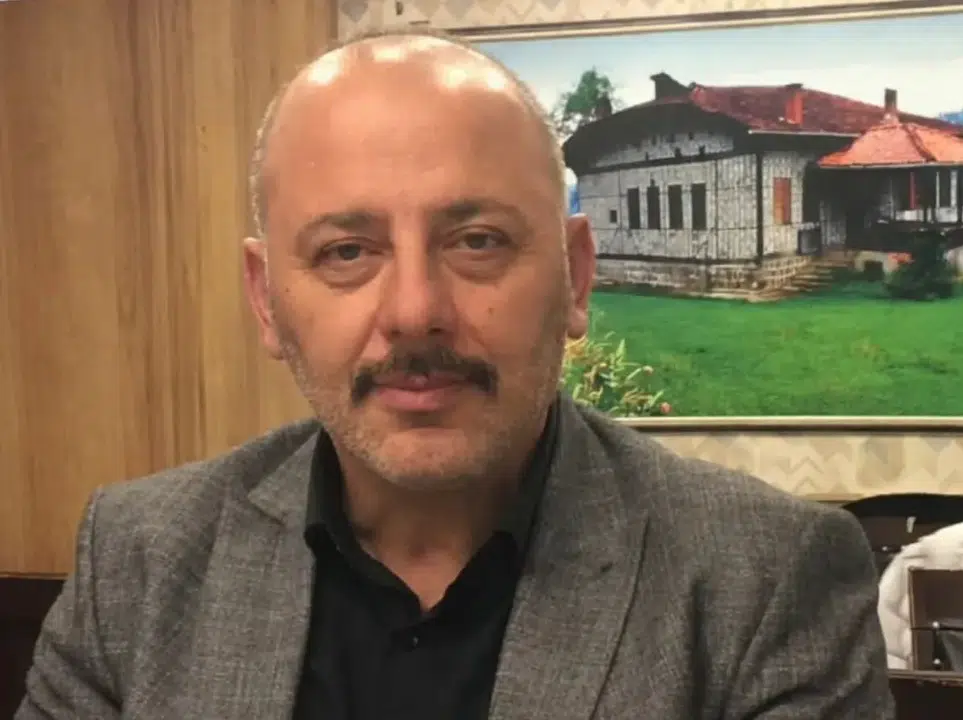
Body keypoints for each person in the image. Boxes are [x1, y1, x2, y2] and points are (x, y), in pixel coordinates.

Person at [18, 27, 894, 720]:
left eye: (477, 241)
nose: (414, 311)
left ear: (575, 277)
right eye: (347, 251)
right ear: (266, 301)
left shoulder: (763, 583)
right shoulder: (137, 563)